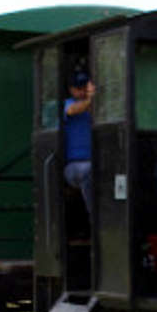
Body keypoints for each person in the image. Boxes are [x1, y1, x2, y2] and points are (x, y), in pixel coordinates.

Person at [62, 70, 95, 216]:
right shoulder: (67, 104)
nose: (82, 91)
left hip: (95, 161)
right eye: (78, 88)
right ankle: (96, 220)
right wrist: (91, 99)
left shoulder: (95, 106)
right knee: (90, 171)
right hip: (74, 166)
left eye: (84, 87)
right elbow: (72, 110)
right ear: (71, 89)